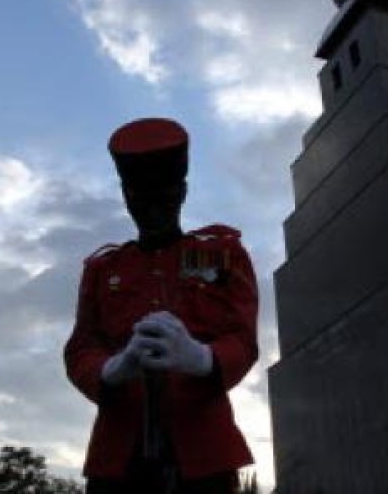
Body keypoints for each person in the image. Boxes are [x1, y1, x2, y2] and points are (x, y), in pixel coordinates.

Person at [64, 117, 259, 494]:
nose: (151, 209)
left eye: (163, 195)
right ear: (125, 196)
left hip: (204, 453)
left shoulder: (220, 254)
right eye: (140, 197)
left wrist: (201, 357)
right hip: (118, 458)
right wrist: (113, 370)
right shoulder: (104, 269)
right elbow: (80, 348)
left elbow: (242, 337)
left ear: (182, 192)